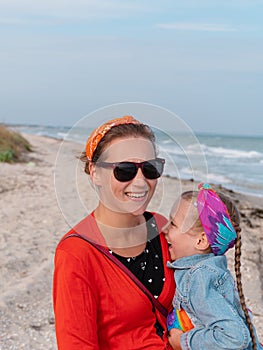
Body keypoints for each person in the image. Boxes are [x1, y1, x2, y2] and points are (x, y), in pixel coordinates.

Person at [53, 116, 176, 349]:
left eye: (150, 168)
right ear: (95, 173)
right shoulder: (76, 253)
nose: (141, 182)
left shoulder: (162, 228)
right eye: (125, 170)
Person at [163, 183, 263, 350]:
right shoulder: (208, 270)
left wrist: (183, 342)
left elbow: (235, 337)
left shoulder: (199, 277)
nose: (165, 229)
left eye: (173, 224)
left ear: (201, 241)